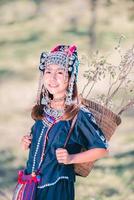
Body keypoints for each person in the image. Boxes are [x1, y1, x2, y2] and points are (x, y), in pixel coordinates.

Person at [21, 44, 108, 200]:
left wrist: (71, 159)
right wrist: (27, 141)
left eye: (60, 72)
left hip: (57, 187)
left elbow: (101, 149)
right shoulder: (42, 111)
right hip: (31, 184)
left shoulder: (78, 114)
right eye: (48, 71)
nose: (52, 78)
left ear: (70, 78)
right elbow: (40, 141)